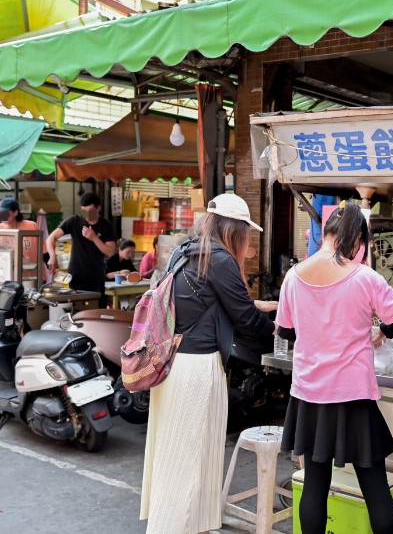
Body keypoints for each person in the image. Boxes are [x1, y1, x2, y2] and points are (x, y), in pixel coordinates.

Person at [140, 193, 277, 534]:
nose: (248, 239)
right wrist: (279, 330)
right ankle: (172, 527)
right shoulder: (220, 259)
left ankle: (194, 527)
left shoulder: (185, 251)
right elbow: (243, 317)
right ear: (235, 229)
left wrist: (259, 306)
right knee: (191, 460)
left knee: (183, 457)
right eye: (246, 231)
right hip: (197, 370)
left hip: (173, 366)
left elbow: (211, 302)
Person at [276, 200, 393, 534]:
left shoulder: (293, 277)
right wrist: (380, 330)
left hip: (309, 394)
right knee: (375, 487)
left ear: (325, 233)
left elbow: (285, 331)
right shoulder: (366, 278)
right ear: (358, 241)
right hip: (353, 395)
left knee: (315, 484)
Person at [45, 192, 115, 299]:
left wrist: (94, 238)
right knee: (75, 309)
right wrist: (52, 256)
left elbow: (110, 251)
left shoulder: (106, 226)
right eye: (84, 211)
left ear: (98, 208)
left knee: (95, 310)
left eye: (90, 212)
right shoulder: (74, 221)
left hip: (96, 277)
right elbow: (51, 238)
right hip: (75, 275)